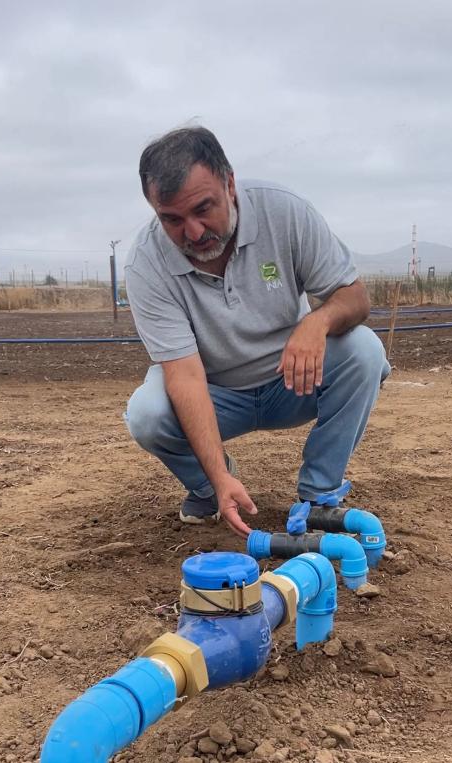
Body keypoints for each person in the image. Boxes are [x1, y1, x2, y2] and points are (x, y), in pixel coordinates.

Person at [124, 126, 389, 537]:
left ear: (230, 184)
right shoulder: (146, 262)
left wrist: (316, 322)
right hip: (215, 393)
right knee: (147, 413)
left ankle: (319, 496)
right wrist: (217, 475)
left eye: (203, 209)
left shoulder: (284, 213)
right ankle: (213, 488)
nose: (193, 233)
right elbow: (185, 376)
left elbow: (354, 297)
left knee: (363, 351)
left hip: (292, 379)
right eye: (172, 219)